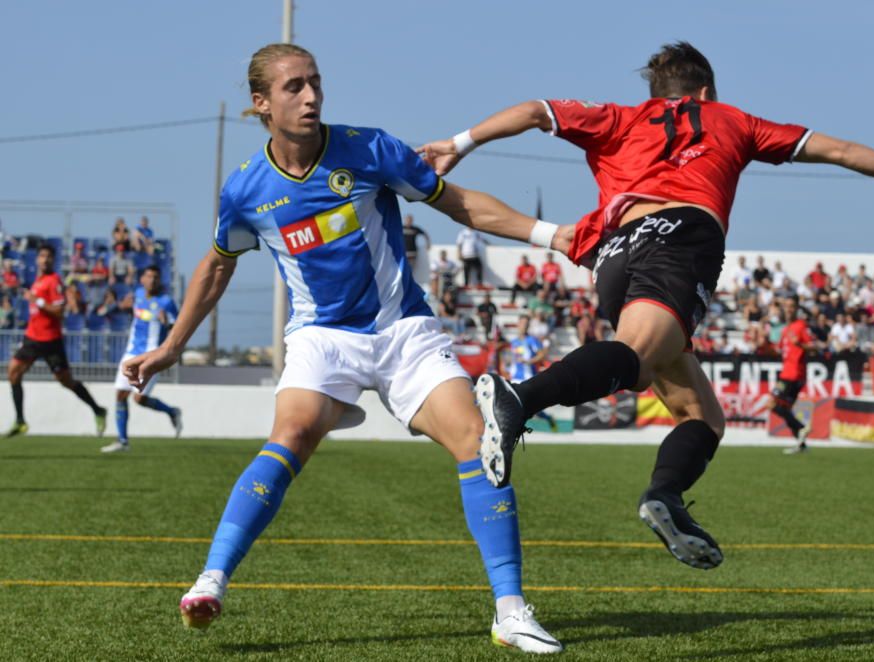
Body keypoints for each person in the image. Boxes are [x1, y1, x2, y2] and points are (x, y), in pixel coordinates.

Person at [419, 40, 874, 570]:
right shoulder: (733, 120)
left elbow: (536, 111)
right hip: (681, 236)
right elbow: (842, 152)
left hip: (611, 253)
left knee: (702, 416)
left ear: (658, 91)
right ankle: (518, 399)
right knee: (634, 355)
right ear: (706, 93)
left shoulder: (619, 118)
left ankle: (666, 498)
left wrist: (459, 143)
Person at [121, 44, 562, 653]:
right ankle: (211, 579)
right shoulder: (246, 191)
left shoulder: (370, 148)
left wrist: (553, 235)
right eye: (294, 87)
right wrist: (172, 346)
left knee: (476, 439)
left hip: (402, 331)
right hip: (323, 338)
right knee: (293, 433)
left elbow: (459, 205)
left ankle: (510, 612)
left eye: (315, 83)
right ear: (261, 103)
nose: (310, 97)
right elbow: (217, 267)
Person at [5, 245, 107, 438]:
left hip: (51, 340)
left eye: (49, 256)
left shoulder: (54, 281)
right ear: (37, 259)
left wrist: (38, 301)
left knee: (66, 381)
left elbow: (59, 312)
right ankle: (20, 421)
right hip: (32, 338)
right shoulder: (38, 281)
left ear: (53, 260)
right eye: (42, 256)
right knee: (13, 372)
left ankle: (98, 409)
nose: (45, 260)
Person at [101, 266, 182, 454]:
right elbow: (126, 308)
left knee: (139, 398)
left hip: (152, 355)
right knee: (121, 394)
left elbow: (177, 327)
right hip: (131, 353)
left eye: (156, 277)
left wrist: (167, 322)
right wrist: (123, 305)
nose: (152, 280)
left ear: (159, 280)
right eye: (148, 276)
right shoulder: (137, 295)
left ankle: (172, 412)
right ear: (142, 279)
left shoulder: (166, 301)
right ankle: (122, 441)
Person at [768, 296, 816, 454]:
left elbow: (813, 347)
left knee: (773, 404)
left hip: (793, 374)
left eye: (792, 306)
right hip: (787, 372)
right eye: (786, 306)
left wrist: (800, 344)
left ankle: (801, 428)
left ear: (796, 309)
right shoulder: (786, 329)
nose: (788, 309)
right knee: (784, 409)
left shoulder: (801, 326)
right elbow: (780, 349)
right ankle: (801, 445)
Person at [506, 315, 557, 432]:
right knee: (518, 404)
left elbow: (541, 354)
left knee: (526, 405)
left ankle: (520, 426)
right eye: (522, 323)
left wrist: (529, 361)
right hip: (515, 377)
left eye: (526, 324)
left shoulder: (532, 340)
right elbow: (510, 358)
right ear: (518, 324)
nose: (524, 326)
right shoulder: (514, 342)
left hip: (527, 377)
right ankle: (546, 418)